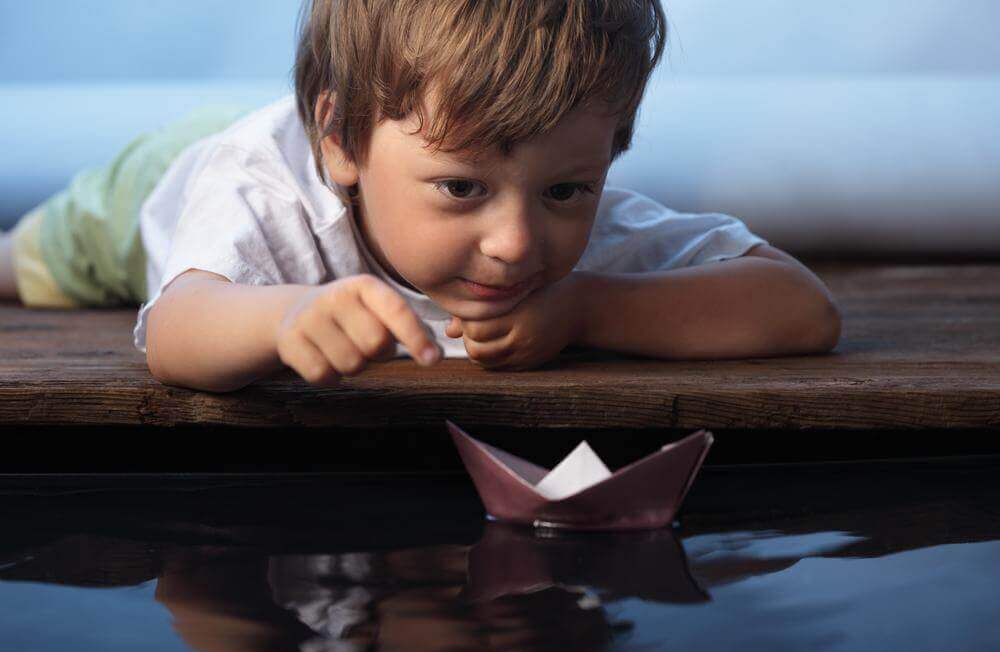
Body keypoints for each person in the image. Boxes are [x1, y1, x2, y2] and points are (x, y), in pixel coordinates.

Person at [0, 0, 841, 393]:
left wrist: (591, 309)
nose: (516, 240)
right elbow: (177, 333)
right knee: (32, 267)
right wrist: (283, 316)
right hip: (156, 180)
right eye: (460, 187)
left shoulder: (556, 220)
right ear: (340, 141)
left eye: (565, 189)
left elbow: (801, 308)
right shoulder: (257, 189)